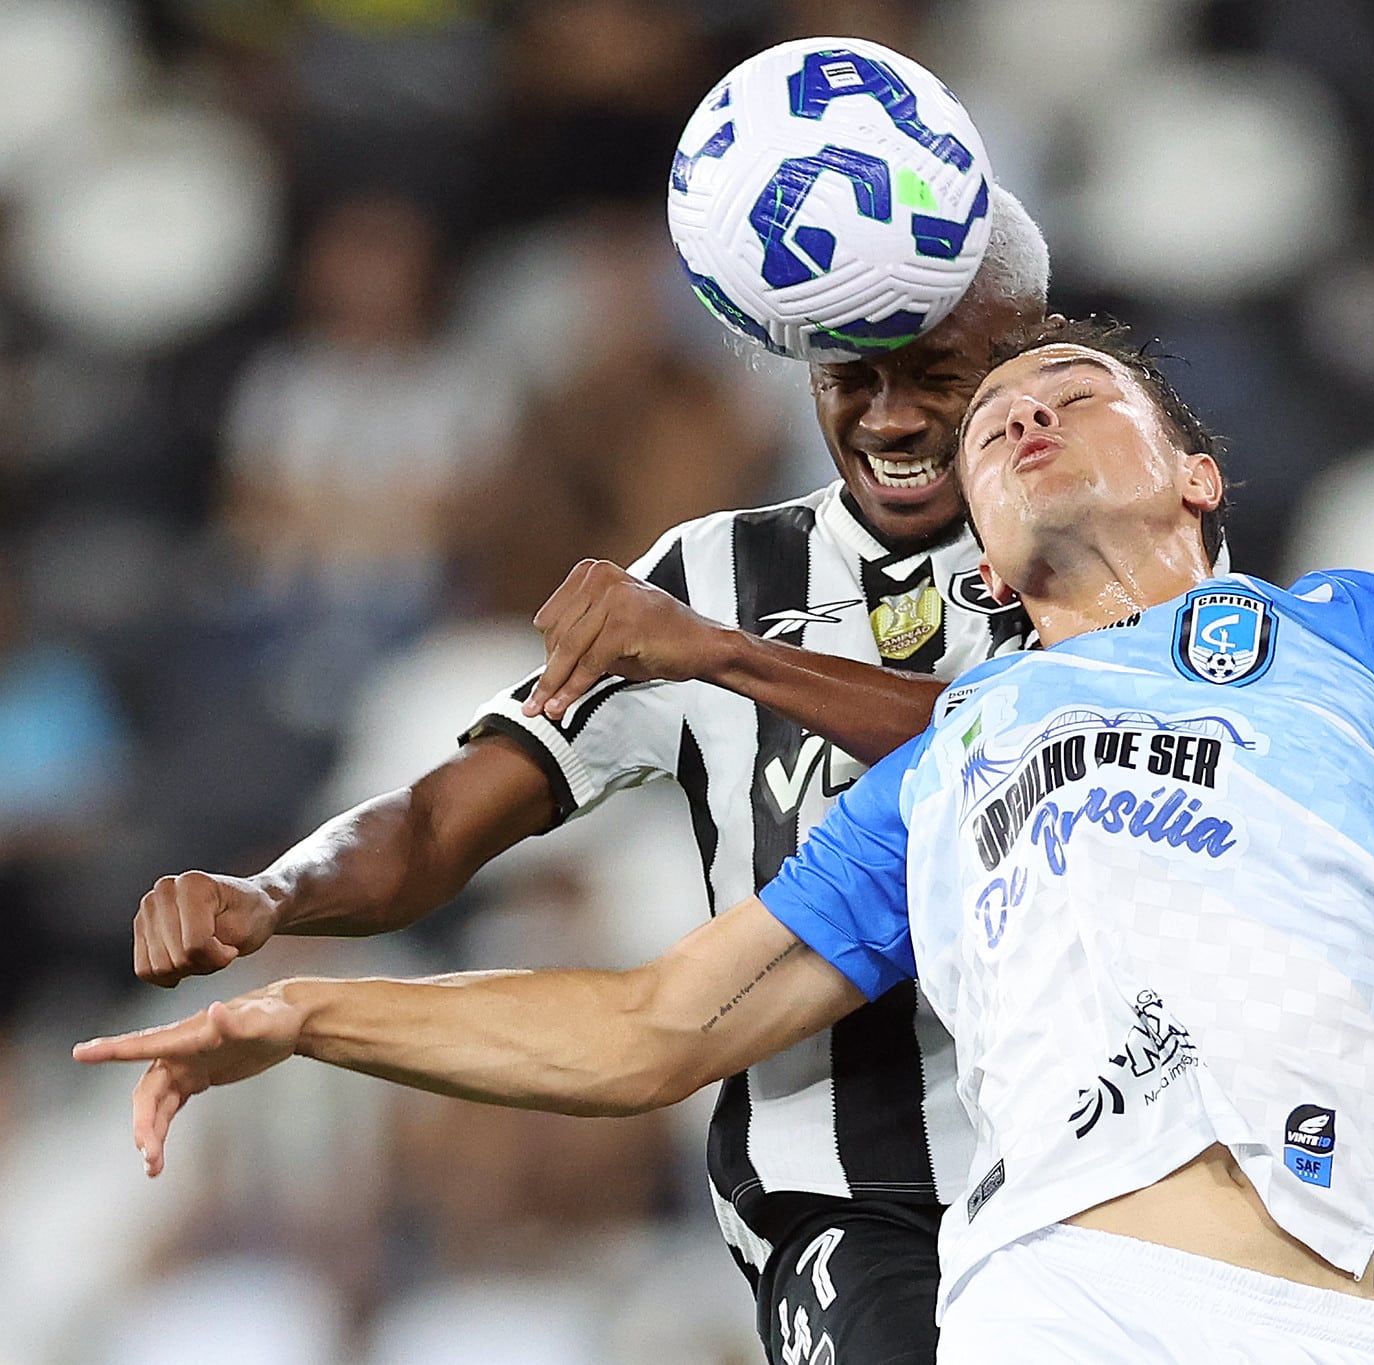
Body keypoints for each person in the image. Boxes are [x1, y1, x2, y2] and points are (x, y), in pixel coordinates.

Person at [84, 318, 1374, 1364]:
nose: (1029, 415)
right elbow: (654, 1032)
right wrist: (310, 1016)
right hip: (1048, 1300)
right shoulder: (948, 754)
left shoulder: (1365, 638)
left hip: (1334, 1310)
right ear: (975, 557)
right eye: (998, 425)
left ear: (1196, 475)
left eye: (1081, 396)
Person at [123, 188, 1051, 1364]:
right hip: (853, 1203)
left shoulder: (1097, 547)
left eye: (933, 373)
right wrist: (275, 893)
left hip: (1102, 1167)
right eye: (845, 379)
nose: (888, 416)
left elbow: (1038, 741)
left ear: (1023, 356)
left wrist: (728, 660)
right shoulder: (712, 575)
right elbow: (433, 824)